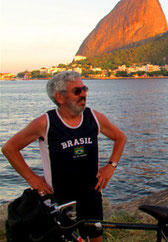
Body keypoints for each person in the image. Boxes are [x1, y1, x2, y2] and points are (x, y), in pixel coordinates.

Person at [2, 71, 127, 242]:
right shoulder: (45, 123)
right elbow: (10, 148)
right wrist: (32, 178)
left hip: (91, 196)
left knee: (96, 239)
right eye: (77, 91)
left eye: (84, 89)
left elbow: (120, 137)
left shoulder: (94, 118)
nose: (83, 94)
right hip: (60, 200)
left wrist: (110, 167)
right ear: (60, 98)